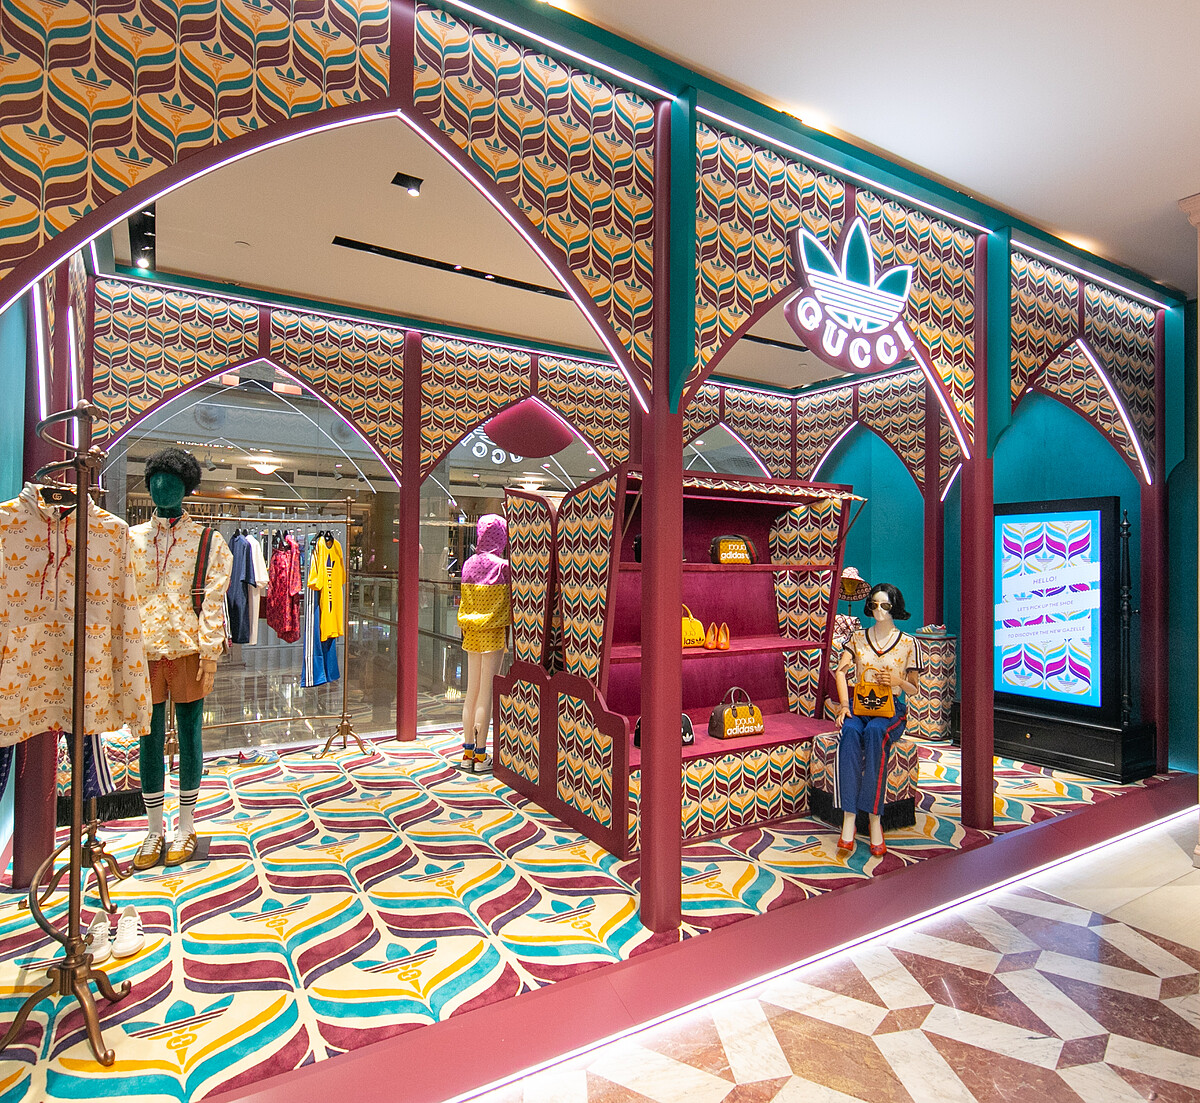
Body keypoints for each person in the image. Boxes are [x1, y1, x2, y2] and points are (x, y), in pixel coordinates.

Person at [129, 448, 232, 868]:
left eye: (171, 481)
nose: (161, 488)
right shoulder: (130, 539)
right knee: (148, 738)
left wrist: (210, 654)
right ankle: (154, 829)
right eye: (155, 480)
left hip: (189, 651)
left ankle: (186, 825)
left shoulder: (208, 541)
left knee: (190, 736)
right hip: (143, 653)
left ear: (186, 488)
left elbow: (214, 601)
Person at [831, 582, 920, 858]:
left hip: (891, 707)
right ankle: (848, 817)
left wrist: (897, 681)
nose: (879, 610)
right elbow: (840, 671)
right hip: (859, 703)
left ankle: (874, 818)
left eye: (885, 605)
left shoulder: (908, 643)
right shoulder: (857, 638)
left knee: (875, 733)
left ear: (895, 607)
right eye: (874, 604)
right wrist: (843, 705)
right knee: (849, 732)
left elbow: (914, 689)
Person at [456, 514, 510, 773]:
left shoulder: (468, 564)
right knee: (486, 693)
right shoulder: (503, 567)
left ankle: (467, 752)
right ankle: (480, 755)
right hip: (494, 633)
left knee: (471, 691)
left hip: (471, 632)